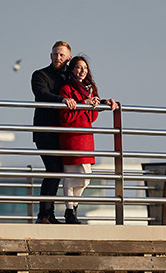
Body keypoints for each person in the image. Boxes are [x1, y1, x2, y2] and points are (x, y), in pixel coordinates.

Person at [57, 55, 119, 224]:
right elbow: (65, 118)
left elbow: (91, 117)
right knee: (70, 177)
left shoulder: (89, 89)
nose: (82, 71)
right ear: (71, 70)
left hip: (85, 138)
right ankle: (70, 211)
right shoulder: (66, 89)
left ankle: (72, 208)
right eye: (78, 67)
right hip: (71, 137)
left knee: (85, 177)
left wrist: (101, 103)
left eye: (84, 68)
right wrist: (83, 102)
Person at [31, 41, 78, 224]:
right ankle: (44, 215)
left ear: (68, 58)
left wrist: (104, 101)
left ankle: (51, 214)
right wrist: (63, 99)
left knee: (60, 171)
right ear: (50, 56)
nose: (57, 58)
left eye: (61, 55)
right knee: (54, 169)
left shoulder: (70, 77)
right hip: (45, 131)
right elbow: (41, 94)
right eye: (55, 54)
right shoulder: (40, 75)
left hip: (63, 132)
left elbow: (83, 94)